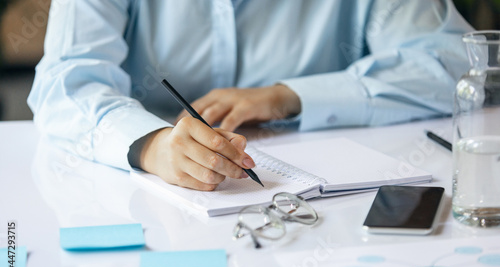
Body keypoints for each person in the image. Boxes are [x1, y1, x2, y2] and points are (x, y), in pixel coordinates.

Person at [28, 0, 473, 191]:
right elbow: (66, 83)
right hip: (145, 202)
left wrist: (291, 96)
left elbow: (456, 60)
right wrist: (153, 145)